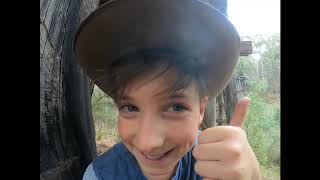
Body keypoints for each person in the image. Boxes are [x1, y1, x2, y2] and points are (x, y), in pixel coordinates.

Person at [74, 0, 261, 179]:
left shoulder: (221, 165)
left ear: (201, 110)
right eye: (130, 108)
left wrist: (253, 177)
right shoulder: (100, 176)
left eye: (176, 107)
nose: (148, 143)